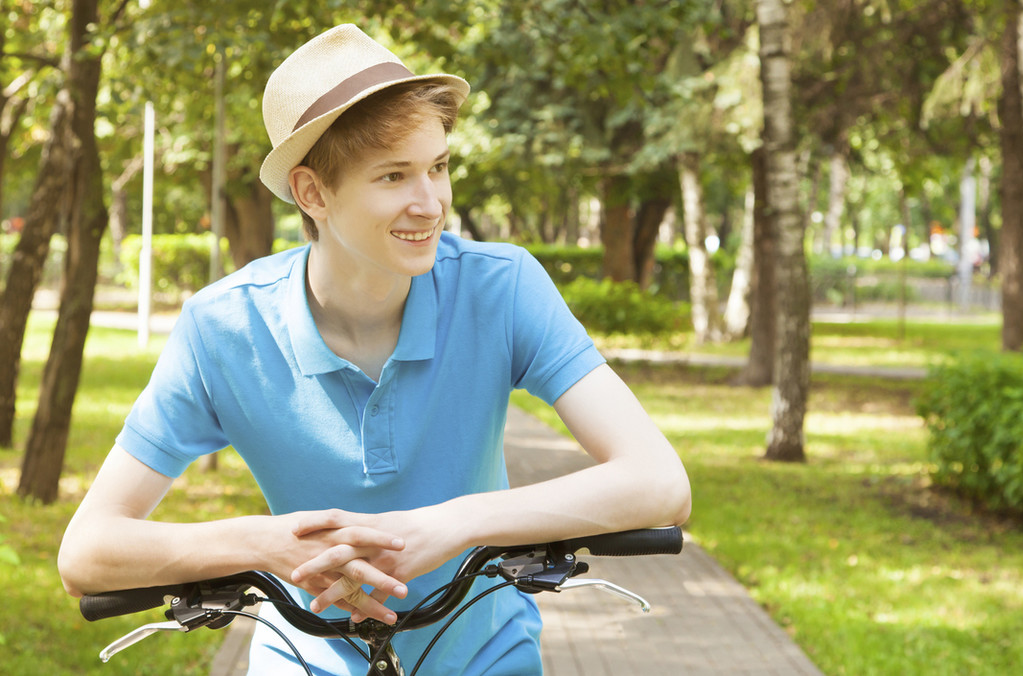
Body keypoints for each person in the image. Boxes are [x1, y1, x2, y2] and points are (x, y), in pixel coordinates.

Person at [58, 24, 691, 676]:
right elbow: (86, 552)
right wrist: (266, 544)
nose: (431, 203)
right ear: (312, 194)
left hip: (484, 653)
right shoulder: (224, 328)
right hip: (301, 655)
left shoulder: (501, 288)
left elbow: (660, 482)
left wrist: (454, 525)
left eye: (438, 168)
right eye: (394, 176)